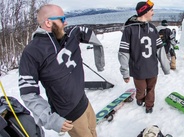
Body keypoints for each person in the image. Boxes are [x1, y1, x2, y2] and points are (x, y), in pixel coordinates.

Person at [18, 4, 105, 137]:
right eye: (62, 19)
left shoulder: (69, 35)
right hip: (71, 115)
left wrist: (100, 63)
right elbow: (28, 94)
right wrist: (51, 119)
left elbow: (87, 33)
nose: (66, 22)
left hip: (84, 102)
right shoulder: (32, 52)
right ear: (48, 22)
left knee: (93, 131)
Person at [118, 0, 170, 114]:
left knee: (151, 90)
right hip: (138, 69)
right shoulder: (129, 29)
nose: (153, 13)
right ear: (144, 11)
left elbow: (160, 49)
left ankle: (149, 105)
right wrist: (125, 72)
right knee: (141, 90)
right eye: (151, 10)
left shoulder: (152, 28)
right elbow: (123, 52)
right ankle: (139, 98)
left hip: (152, 68)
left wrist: (166, 67)